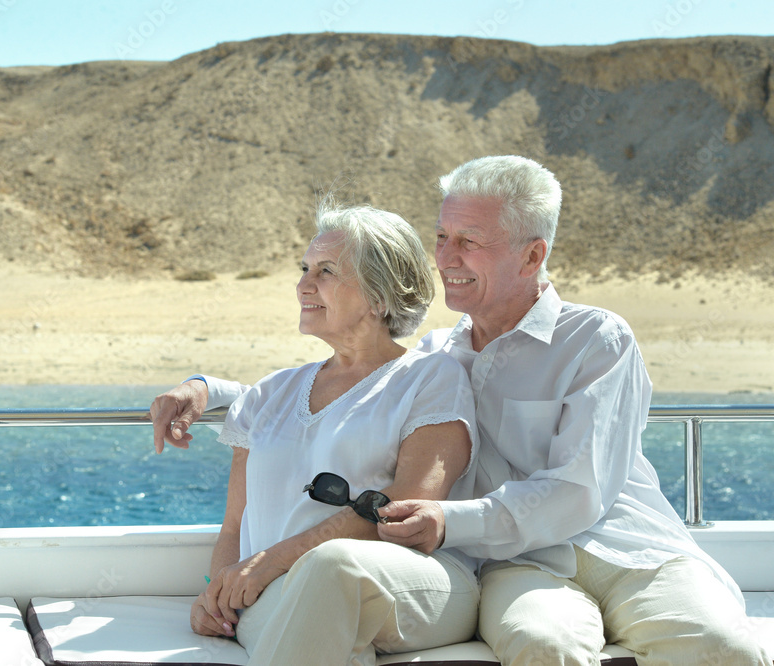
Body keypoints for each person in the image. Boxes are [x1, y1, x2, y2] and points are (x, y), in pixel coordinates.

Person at [150, 156, 769, 665]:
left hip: (630, 550)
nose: (446, 257)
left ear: (532, 256)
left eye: (469, 243)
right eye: (442, 238)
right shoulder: (438, 357)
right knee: (542, 645)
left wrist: (450, 522)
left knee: (725, 648)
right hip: (524, 566)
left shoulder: (596, 340)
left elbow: (579, 494)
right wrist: (207, 388)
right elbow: (343, 380)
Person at [151, 202, 481, 665]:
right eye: (305, 268)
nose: (304, 284)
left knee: (331, 569)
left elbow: (405, 505)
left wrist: (271, 562)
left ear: (379, 295)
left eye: (326, 271)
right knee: (313, 623)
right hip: (281, 590)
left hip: (411, 582)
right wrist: (216, 592)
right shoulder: (269, 394)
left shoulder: (430, 379)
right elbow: (235, 525)